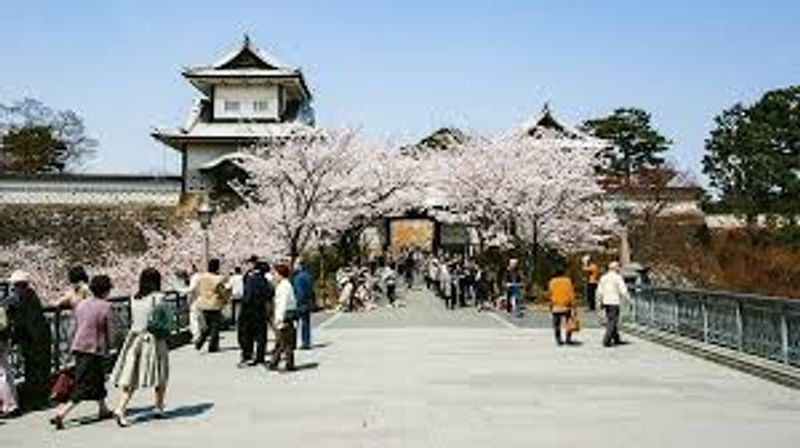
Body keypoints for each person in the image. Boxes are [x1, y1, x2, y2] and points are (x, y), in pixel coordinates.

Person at [50, 275, 115, 430]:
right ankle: (62, 413)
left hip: (79, 346)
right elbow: (111, 330)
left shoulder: (82, 304)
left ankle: (103, 409)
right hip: (94, 348)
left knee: (97, 378)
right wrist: (111, 346)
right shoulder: (107, 306)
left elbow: (74, 326)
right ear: (106, 291)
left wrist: (72, 344)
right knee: (83, 385)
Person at [110, 268, 171, 427]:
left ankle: (120, 408)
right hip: (154, 340)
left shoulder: (133, 298)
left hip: (134, 339)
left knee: (131, 376)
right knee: (161, 372)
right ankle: (158, 406)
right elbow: (167, 318)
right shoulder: (159, 298)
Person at [6, 270, 52, 412]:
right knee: (41, 370)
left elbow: (20, 321)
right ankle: (41, 400)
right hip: (41, 338)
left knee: (32, 371)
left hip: (31, 340)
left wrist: (12, 338)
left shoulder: (20, 298)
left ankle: (33, 401)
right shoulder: (31, 295)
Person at [238, 257, 273, 366]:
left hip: (248, 309)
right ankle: (260, 356)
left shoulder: (249, 278)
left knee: (247, 333)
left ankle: (247, 354)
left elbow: (246, 294)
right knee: (261, 335)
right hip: (260, 309)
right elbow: (269, 294)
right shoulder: (264, 281)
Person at [192, 259, 230, 353]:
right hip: (214, 303)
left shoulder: (202, 277)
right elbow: (222, 291)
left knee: (207, 326)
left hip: (204, 304)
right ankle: (213, 346)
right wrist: (225, 299)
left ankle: (200, 341)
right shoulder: (219, 278)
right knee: (215, 326)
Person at [269, 263, 297, 372]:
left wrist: (279, 319)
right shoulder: (285, 285)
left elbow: (282, 304)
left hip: (285, 316)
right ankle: (280, 363)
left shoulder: (284, 286)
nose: (274, 276)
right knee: (284, 341)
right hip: (286, 315)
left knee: (284, 342)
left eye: (275, 273)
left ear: (280, 274)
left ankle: (283, 364)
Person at [597, 261, 630, 347]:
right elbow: (623, 290)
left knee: (611, 319)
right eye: (618, 267)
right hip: (614, 301)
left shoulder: (603, 277)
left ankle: (616, 338)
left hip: (606, 301)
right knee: (613, 321)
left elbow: (599, 291)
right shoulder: (618, 277)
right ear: (615, 268)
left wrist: (599, 301)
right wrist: (628, 299)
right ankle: (606, 340)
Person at [0, 291, 19, 418]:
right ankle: (12, 404)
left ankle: (8, 405)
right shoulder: (4, 306)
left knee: (2, 374)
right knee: (6, 371)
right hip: (3, 340)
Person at [547, 266, 577, 346]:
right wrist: (574, 305)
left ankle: (558, 339)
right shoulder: (567, 281)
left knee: (557, 324)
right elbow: (571, 294)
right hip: (566, 306)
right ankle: (568, 338)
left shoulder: (552, 282)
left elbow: (550, 294)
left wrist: (550, 305)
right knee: (568, 322)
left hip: (556, 306)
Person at [292, 259, 314, 350]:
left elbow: (299, 292)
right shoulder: (308, 275)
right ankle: (306, 342)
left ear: (300, 266)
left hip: (299, 303)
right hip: (308, 302)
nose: (294, 266)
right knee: (306, 323)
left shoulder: (298, 277)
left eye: (295, 264)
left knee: (294, 323)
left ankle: (292, 342)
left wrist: (297, 302)